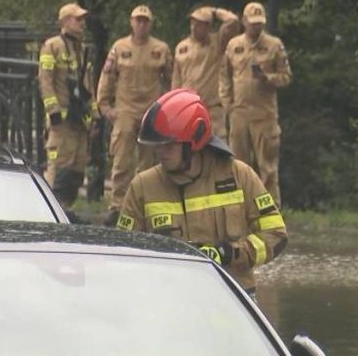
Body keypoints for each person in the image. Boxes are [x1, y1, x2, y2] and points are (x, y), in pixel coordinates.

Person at [117, 88, 288, 297]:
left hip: (232, 300)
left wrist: (229, 253)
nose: (161, 152)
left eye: (169, 145)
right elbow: (124, 254)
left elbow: (275, 235)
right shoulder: (142, 187)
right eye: (158, 146)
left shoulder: (239, 176)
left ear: (194, 141)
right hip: (169, 301)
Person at [98, 5, 172, 226]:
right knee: (121, 160)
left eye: (145, 21)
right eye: (138, 20)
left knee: (149, 163)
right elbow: (107, 77)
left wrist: (168, 108)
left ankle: (145, 206)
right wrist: (104, 105)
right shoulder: (120, 48)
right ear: (131, 22)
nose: (141, 25)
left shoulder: (161, 49)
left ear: (151, 24)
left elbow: (171, 80)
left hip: (151, 111)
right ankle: (117, 206)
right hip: (125, 110)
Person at [220, 2, 292, 207]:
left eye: (259, 24)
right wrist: (227, 104)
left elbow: (286, 77)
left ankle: (271, 212)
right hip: (239, 113)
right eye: (252, 24)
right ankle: (241, 211)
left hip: (265, 114)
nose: (256, 27)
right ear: (244, 22)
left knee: (267, 167)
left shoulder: (274, 45)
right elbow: (224, 76)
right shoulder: (234, 45)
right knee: (238, 165)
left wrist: (268, 78)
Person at [37, 2, 100, 219]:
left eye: (83, 19)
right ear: (65, 21)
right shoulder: (52, 46)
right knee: (59, 163)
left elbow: (88, 86)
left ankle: (67, 210)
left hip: (79, 119)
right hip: (61, 120)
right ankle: (52, 211)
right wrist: (53, 110)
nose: (82, 23)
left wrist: (94, 116)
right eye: (77, 19)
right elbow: (46, 81)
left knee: (77, 165)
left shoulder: (82, 50)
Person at [172, 6, 241, 142]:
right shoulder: (181, 47)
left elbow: (233, 21)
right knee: (188, 149)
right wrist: (175, 106)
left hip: (212, 109)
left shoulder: (218, 42)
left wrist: (215, 11)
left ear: (208, 26)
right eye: (193, 23)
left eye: (199, 24)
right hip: (188, 108)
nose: (194, 27)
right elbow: (176, 80)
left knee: (218, 150)